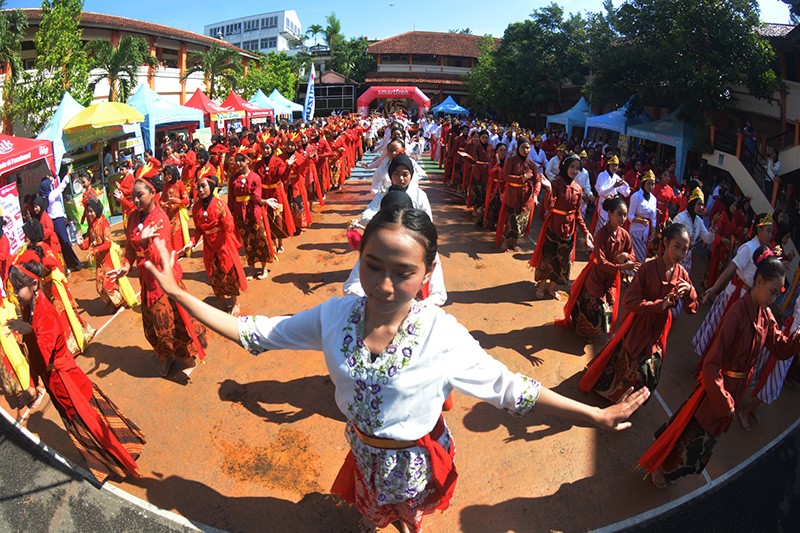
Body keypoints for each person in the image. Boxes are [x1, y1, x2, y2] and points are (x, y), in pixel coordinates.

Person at [142, 204, 649, 533]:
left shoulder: (442, 334)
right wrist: (177, 292)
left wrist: (595, 416)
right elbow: (254, 332)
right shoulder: (334, 315)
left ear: (428, 273)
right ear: (359, 258)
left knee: (409, 518)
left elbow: (512, 388)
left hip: (414, 462)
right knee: (368, 509)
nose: (384, 285)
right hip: (363, 450)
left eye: (404, 272)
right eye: (373, 266)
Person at [639, 248, 800, 487]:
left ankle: (666, 464)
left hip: (734, 390)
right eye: (773, 292)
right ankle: (661, 464)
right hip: (719, 388)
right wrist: (723, 401)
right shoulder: (737, 314)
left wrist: (797, 339)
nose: (774, 299)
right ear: (759, 281)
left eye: (778, 293)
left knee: (702, 437)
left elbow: (780, 348)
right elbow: (712, 363)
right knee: (694, 435)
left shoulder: (765, 315)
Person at [7, 251, 145, 483]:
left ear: (34, 284)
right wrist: (32, 383)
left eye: (18, 288)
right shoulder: (30, 307)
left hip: (66, 382)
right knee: (90, 417)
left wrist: (28, 334)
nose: (15, 294)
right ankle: (120, 454)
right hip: (58, 380)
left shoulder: (45, 316)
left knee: (87, 420)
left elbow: (40, 359)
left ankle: (116, 463)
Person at [108, 171, 208, 384]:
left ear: (152, 192)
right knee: (151, 325)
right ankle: (167, 356)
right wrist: (126, 265)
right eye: (133, 196)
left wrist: (144, 243)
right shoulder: (133, 217)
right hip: (146, 280)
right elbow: (131, 246)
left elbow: (157, 256)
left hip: (163, 280)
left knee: (170, 326)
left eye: (140, 195)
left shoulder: (160, 219)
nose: (136, 200)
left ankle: (188, 361)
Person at [579, 223, 697, 402]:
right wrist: (660, 305)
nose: (680, 254)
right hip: (639, 324)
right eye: (677, 247)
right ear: (666, 242)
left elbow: (692, 309)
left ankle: (628, 399)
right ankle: (612, 394)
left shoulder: (682, 274)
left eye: (685, 250)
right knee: (629, 361)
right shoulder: (647, 269)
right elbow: (629, 301)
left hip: (659, 330)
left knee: (650, 371)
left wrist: (690, 292)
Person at [693, 212, 776, 357]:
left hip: (747, 300)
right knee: (720, 328)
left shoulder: (766, 252)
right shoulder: (749, 248)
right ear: (759, 229)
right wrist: (714, 288)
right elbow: (730, 269)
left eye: (771, 232)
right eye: (768, 231)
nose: (770, 235)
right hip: (734, 295)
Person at [556, 197, 638, 338]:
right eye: (619, 214)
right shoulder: (601, 234)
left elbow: (633, 256)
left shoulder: (624, 235)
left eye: (625, 215)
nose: (623, 218)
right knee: (595, 304)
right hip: (597, 275)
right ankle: (581, 326)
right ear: (610, 214)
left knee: (609, 306)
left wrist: (625, 255)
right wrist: (621, 267)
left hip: (611, 278)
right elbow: (601, 263)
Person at [528, 154, 593, 301]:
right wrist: (549, 190)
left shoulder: (578, 188)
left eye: (577, 168)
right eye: (572, 167)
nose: (574, 170)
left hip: (569, 230)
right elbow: (548, 206)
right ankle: (541, 287)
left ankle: (551, 288)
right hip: (553, 227)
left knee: (563, 261)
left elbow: (577, 213)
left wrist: (586, 232)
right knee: (548, 258)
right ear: (564, 166)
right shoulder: (556, 183)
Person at [183, 173, 247, 316]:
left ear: (211, 187)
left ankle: (235, 302)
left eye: (203, 186)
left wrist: (224, 216)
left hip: (223, 244)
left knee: (229, 272)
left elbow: (230, 228)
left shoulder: (220, 204)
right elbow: (198, 229)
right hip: (209, 245)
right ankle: (222, 302)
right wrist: (191, 242)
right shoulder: (196, 207)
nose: (200, 190)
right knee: (214, 274)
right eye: (198, 187)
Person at [79, 198, 137, 309]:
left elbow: (107, 243)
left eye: (91, 211)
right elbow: (88, 243)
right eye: (87, 212)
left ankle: (120, 303)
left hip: (107, 259)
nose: (89, 214)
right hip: (99, 261)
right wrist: (81, 243)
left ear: (97, 210)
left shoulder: (104, 224)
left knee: (108, 286)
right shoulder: (92, 226)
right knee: (99, 287)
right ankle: (112, 304)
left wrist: (95, 250)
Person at [228, 153, 274, 279]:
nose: (238, 163)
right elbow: (231, 198)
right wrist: (231, 213)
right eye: (236, 161)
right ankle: (252, 269)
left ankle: (264, 268)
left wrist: (264, 201)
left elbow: (256, 197)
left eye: (241, 160)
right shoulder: (233, 179)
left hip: (253, 211)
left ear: (247, 161)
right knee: (247, 241)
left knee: (260, 238)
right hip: (240, 213)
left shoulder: (255, 177)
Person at [497, 138, 541, 252]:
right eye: (523, 147)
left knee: (522, 221)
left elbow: (537, 180)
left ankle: (515, 242)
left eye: (528, 148)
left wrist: (535, 194)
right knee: (511, 219)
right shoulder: (511, 161)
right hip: (512, 194)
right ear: (518, 147)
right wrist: (521, 178)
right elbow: (506, 176)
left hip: (526, 196)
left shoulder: (532, 165)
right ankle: (506, 240)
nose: (525, 150)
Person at [592, 155, 630, 232]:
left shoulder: (616, 177)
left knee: (611, 228)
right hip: (604, 203)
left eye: (616, 165)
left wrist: (625, 184)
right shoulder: (602, 175)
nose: (615, 167)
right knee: (601, 227)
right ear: (608, 165)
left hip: (614, 206)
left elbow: (626, 193)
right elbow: (600, 192)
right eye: (613, 165)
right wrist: (613, 187)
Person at [627, 170, 658, 265]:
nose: (651, 186)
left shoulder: (653, 199)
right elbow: (630, 215)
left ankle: (638, 273)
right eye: (648, 183)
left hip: (646, 232)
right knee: (633, 256)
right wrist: (641, 221)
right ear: (643, 183)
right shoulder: (636, 196)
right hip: (635, 231)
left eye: (653, 184)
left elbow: (653, 218)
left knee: (642, 256)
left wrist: (653, 230)